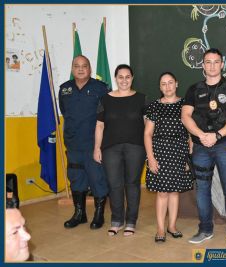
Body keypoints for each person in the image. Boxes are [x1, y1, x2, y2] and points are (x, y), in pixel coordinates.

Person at [181, 48, 226, 248]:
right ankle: (205, 229)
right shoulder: (193, 89)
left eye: (216, 62)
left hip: (224, 145)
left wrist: (217, 135)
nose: (212, 65)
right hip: (201, 147)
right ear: (202, 65)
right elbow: (185, 116)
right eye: (208, 62)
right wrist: (201, 135)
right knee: (202, 190)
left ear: (222, 64)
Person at [94, 64, 147, 237]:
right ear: (115, 78)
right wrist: (96, 148)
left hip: (136, 147)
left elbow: (148, 126)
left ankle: (131, 221)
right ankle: (117, 220)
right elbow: (100, 125)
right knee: (114, 184)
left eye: (127, 77)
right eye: (120, 77)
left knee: (132, 184)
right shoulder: (105, 99)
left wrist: (150, 148)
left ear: (132, 78)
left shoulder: (141, 98)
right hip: (110, 148)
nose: (124, 80)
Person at [59, 55, 109, 230]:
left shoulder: (101, 88)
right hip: (73, 144)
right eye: (76, 66)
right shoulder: (64, 89)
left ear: (90, 69)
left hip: (93, 144)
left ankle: (99, 214)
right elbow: (65, 113)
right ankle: (79, 214)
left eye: (84, 66)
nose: (80, 69)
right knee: (76, 179)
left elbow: (105, 118)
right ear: (72, 69)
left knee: (97, 179)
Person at [144, 72, 193, 242]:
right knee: (163, 192)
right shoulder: (154, 106)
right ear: (160, 87)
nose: (167, 86)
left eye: (170, 82)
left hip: (179, 153)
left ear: (176, 83)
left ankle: (172, 226)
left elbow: (189, 134)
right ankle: (160, 228)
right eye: (163, 84)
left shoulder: (185, 105)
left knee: (174, 192)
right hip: (160, 153)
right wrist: (150, 158)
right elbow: (147, 134)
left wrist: (188, 157)